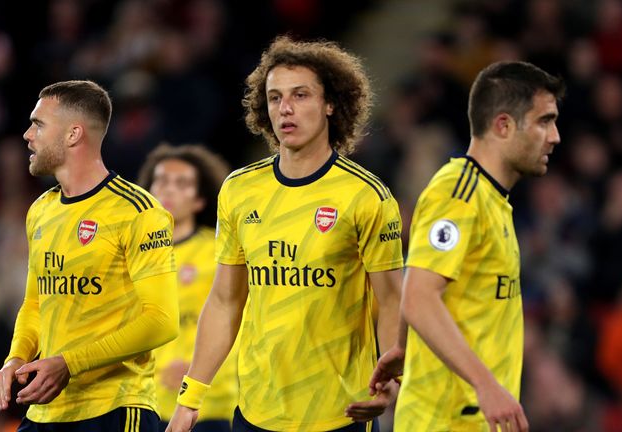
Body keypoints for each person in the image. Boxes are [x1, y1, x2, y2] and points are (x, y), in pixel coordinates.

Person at [165, 36, 404, 432]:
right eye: (274, 98)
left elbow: (392, 299)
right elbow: (226, 301)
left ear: (331, 104)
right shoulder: (240, 190)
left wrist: (390, 379)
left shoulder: (366, 196)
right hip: (256, 412)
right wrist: (191, 398)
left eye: (300, 95)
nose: (285, 108)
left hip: (338, 414)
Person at [369, 61, 565, 432]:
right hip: (444, 422)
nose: (554, 136)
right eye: (544, 121)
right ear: (504, 125)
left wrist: (402, 345)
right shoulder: (459, 194)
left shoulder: (492, 200)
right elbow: (419, 296)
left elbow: (426, 289)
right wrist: (486, 386)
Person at [0, 80, 179, 431]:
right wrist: (15, 357)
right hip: (45, 411)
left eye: (39, 124)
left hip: (115, 408)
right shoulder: (40, 211)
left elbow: (162, 320)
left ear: (73, 134)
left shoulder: (137, 211)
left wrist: (69, 364)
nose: (27, 135)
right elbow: (35, 303)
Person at [137, 144, 237, 431]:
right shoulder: (130, 256)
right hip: (146, 402)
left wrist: (197, 373)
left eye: (182, 184)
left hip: (210, 404)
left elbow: (238, 321)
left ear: (200, 200)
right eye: (162, 181)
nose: (169, 190)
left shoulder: (219, 252)